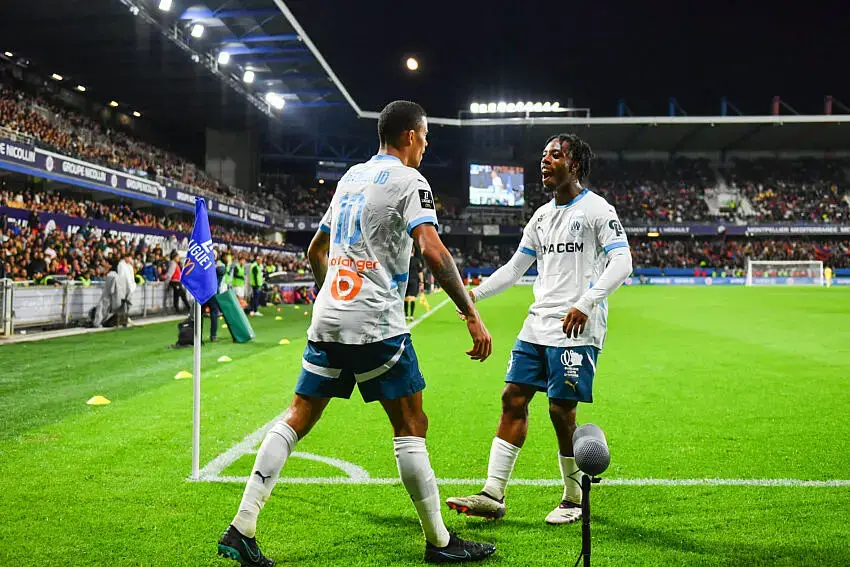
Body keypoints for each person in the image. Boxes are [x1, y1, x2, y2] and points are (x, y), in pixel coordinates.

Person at [217, 100, 496, 566]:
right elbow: (431, 249)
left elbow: (315, 249)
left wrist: (330, 294)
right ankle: (440, 542)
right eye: (425, 137)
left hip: (328, 316)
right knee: (410, 425)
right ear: (410, 135)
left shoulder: (349, 178)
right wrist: (470, 311)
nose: (426, 147)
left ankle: (242, 526)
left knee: (297, 416)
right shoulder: (411, 181)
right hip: (375, 324)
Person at [445, 133, 633, 525]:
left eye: (555, 156)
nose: (544, 162)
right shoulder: (542, 216)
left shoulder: (598, 209)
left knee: (560, 410)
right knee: (512, 397)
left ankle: (574, 497)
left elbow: (622, 262)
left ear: (575, 164)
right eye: (543, 156)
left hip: (575, 327)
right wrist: (474, 295)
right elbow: (516, 268)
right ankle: (492, 494)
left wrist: (586, 302)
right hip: (537, 323)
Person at [405, 248, 424, 321]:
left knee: (406, 298)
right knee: (412, 298)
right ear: (414, 251)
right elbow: (420, 272)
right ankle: (411, 315)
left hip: (406, 281)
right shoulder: (417, 261)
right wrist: (422, 282)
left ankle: (406, 315)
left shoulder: (404, 260)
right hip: (414, 281)